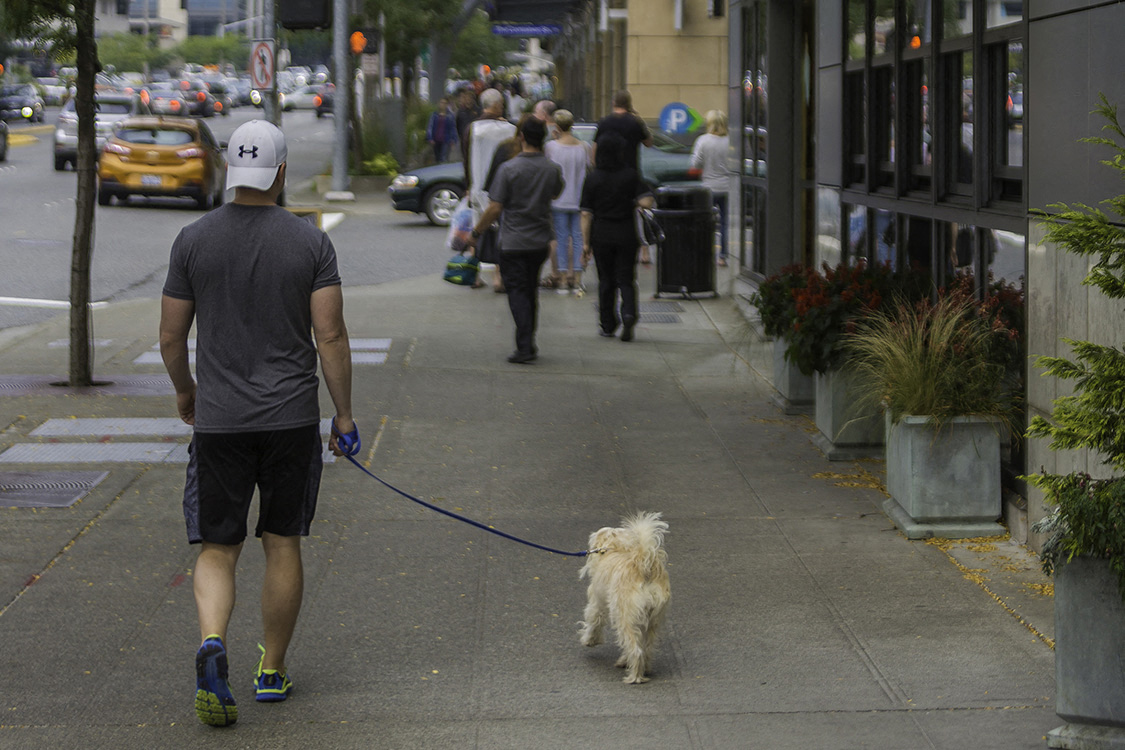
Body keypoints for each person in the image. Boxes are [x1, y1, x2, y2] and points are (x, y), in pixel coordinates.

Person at [159, 120, 358, 728]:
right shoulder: (309, 243)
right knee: (281, 541)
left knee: (218, 547)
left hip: (219, 422)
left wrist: (187, 393)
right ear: (279, 172)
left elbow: (170, 337)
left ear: (230, 171)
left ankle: (213, 640)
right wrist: (343, 415)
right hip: (290, 419)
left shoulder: (193, 240)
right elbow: (329, 335)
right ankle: (271, 670)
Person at [467, 117, 564, 364]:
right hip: (540, 240)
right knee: (530, 290)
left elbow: (495, 208)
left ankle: (525, 346)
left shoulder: (508, 169)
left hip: (513, 241)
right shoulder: (552, 169)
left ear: (521, 137)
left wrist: (476, 232)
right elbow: (556, 192)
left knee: (518, 293)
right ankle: (528, 340)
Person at [580, 131, 654, 342]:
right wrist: (632, 203)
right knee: (627, 278)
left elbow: (585, 213)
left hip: (601, 233)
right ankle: (629, 312)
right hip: (626, 233)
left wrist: (585, 243)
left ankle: (608, 324)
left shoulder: (593, 178)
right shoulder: (630, 175)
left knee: (606, 280)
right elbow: (647, 200)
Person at [593, 90, 655, 264]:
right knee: (638, 211)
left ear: (613, 103)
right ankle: (644, 250)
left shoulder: (604, 122)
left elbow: (595, 148)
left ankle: (608, 246)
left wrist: (596, 168)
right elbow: (649, 142)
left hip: (606, 173)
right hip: (631, 172)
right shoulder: (635, 123)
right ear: (629, 104)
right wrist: (639, 119)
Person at [466, 88, 517, 291]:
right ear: (495, 106)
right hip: (501, 186)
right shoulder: (508, 130)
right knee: (499, 231)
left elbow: (465, 158)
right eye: (501, 105)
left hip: (477, 185)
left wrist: (468, 185)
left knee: (476, 228)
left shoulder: (472, 129)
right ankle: (499, 277)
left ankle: (473, 274)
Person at [544, 109, 592, 293]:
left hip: (558, 201)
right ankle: (578, 279)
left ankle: (563, 279)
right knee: (579, 239)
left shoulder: (551, 147)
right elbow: (589, 169)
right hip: (579, 200)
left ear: (556, 126)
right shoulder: (584, 147)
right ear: (572, 125)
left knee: (561, 240)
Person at [690, 110, 733, 266]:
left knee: (706, 222)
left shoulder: (703, 141)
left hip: (708, 188)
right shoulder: (731, 141)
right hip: (727, 187)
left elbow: (695, 164)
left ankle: (706, 253)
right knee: (725, 223)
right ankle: (722, 256)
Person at [455, 87, 480, 182]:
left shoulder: (478, 111)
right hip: (464, 140)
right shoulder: (461, 112)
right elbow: (458, 125)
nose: (468, 100)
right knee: (466, 160)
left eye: (470, 98)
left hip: (475, 139)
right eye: (466, 98)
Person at [426, 97, 458, 163]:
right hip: (436, 139)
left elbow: (453, 128)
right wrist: (430, 138)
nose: (443, 105)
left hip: (446, 140)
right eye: (441, 103)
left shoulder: (450, 116)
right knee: (437, 158)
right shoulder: (434, 115)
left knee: (444, 158)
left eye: (445, 103)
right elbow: (430, 126)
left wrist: (453, 139)